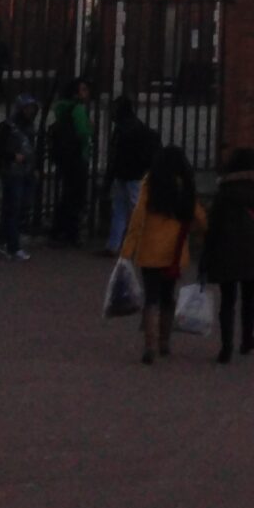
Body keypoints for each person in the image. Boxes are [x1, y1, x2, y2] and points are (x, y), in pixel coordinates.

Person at [116, 145, 206, 364]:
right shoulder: (185, 186)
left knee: (151, 298)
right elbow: (200, 217)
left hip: (150, 250)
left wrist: (126, 251)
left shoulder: (151, 183)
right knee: (168, 297)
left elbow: (138, 218)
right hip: (175, 252)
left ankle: (150, 345)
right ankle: (165, 342)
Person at [200, 147, 254, 364]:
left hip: (225, 248)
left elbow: (213, 225)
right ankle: (246, 339)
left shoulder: (225, 190)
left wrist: (206, 256)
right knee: (250, 298)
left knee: (227, 300)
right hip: (251, 248)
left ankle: (226, 347)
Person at [0, 94, 39, 260]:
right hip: (11, 171)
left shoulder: (29, 126)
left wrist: (34, 167)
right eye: (27, 108)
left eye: (32, 108)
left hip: (26, 171)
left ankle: (1, 236)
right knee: (13, 207)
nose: (30, 111)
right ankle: (13, 246)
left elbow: (31, 148)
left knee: (22, 206)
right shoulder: (7, 126)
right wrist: (12, 156)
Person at [104, 96, 156, 256]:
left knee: (122, 209)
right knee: (133, 209)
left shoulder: (121, 129)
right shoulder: (137, 126)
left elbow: (114, 155)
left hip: (124, 174)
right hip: (135, 174)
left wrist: (109, 176)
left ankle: (116, 244)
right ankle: (136, 244)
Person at [46, 78, 95, 246]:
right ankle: (70, 232)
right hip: (78, 156)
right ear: (76, 93)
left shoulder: (62, 108)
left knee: (67, 194)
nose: (86, 93)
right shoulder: (78, 109)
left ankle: (57, 228)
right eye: (83, 90)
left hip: (64, 157)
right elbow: (83, 132)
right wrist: (90, 128)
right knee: (76, 196)